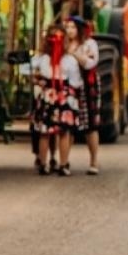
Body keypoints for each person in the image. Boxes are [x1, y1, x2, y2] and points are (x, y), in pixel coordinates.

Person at [29, 26, 76, 175]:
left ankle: (43, 164)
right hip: (63, 97)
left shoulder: (41, 59)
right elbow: (76, 81)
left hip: (47, 96)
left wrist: (36, 80)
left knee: (44, 132)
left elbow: (26, 69)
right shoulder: (69, 60)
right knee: (63, 132)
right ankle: (63, 165)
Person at [66, 17, 101, 174]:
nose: (69, 30)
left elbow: (89, 63)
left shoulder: (89, 44)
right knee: (67, 126)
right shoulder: (64, 44)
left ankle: (94, 162)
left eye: (73, 27)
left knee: (90, 126)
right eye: (67, 27)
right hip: (68, 87)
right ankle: (64, 161)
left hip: (86, 87)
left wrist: (74, 54)